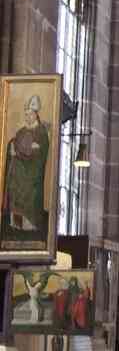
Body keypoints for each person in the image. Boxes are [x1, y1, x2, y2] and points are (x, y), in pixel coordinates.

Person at [3, 94, 50, 242]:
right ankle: (15, 233)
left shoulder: (41, 133)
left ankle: (29, 234)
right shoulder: (21, 132)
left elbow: (39, 153)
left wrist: (21, 150)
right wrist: (18, 148)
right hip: (17, 180)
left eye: (30, 114)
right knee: (16, 213)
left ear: (36, 114)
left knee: (29, 215)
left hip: (31, 180)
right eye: (26, 114)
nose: (27, 117)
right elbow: (14, 146)